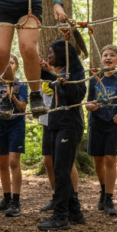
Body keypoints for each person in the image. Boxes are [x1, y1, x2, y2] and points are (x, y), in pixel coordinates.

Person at [38, 35, 87, 230]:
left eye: (51, 53)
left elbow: (74, 95)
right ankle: (75, 212)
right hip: (55, 123)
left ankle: (60, 216)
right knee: (59, 168)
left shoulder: (75, 72)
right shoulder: (59, 73)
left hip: (70, 124)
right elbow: (44, 78)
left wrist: (53, 75)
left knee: (61, 170)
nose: (49, 55)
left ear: (61, 55)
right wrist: (46, 70)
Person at [85, 45, 117, 216]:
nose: (108, 58)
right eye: (105, 55)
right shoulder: (95, 79)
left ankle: (109, 198)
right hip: (96, 123)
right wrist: (90, 107)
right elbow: (88, 103)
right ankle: (102, 191)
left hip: (113, 124)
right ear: (101, 59)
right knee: (98, 161)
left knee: (110, 159)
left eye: (112, 55)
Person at [0, 54, 28, 217]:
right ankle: (6, 198)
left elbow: (23, 107)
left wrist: (13, 97)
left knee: (13, 161)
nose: (8, 66)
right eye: (6, 63)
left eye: (11, 63)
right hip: (0, 124)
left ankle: (16, 201)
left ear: (16, 66)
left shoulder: (21, 84)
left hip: (16, 124)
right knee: (2, 163)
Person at [39, 81, 80, 212]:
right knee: (48, 160)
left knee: (66, 161)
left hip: (64, 119)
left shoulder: (64, 72)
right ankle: (57, 196)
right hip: (47, 119)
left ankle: (72, 198)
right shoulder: (42, 76)